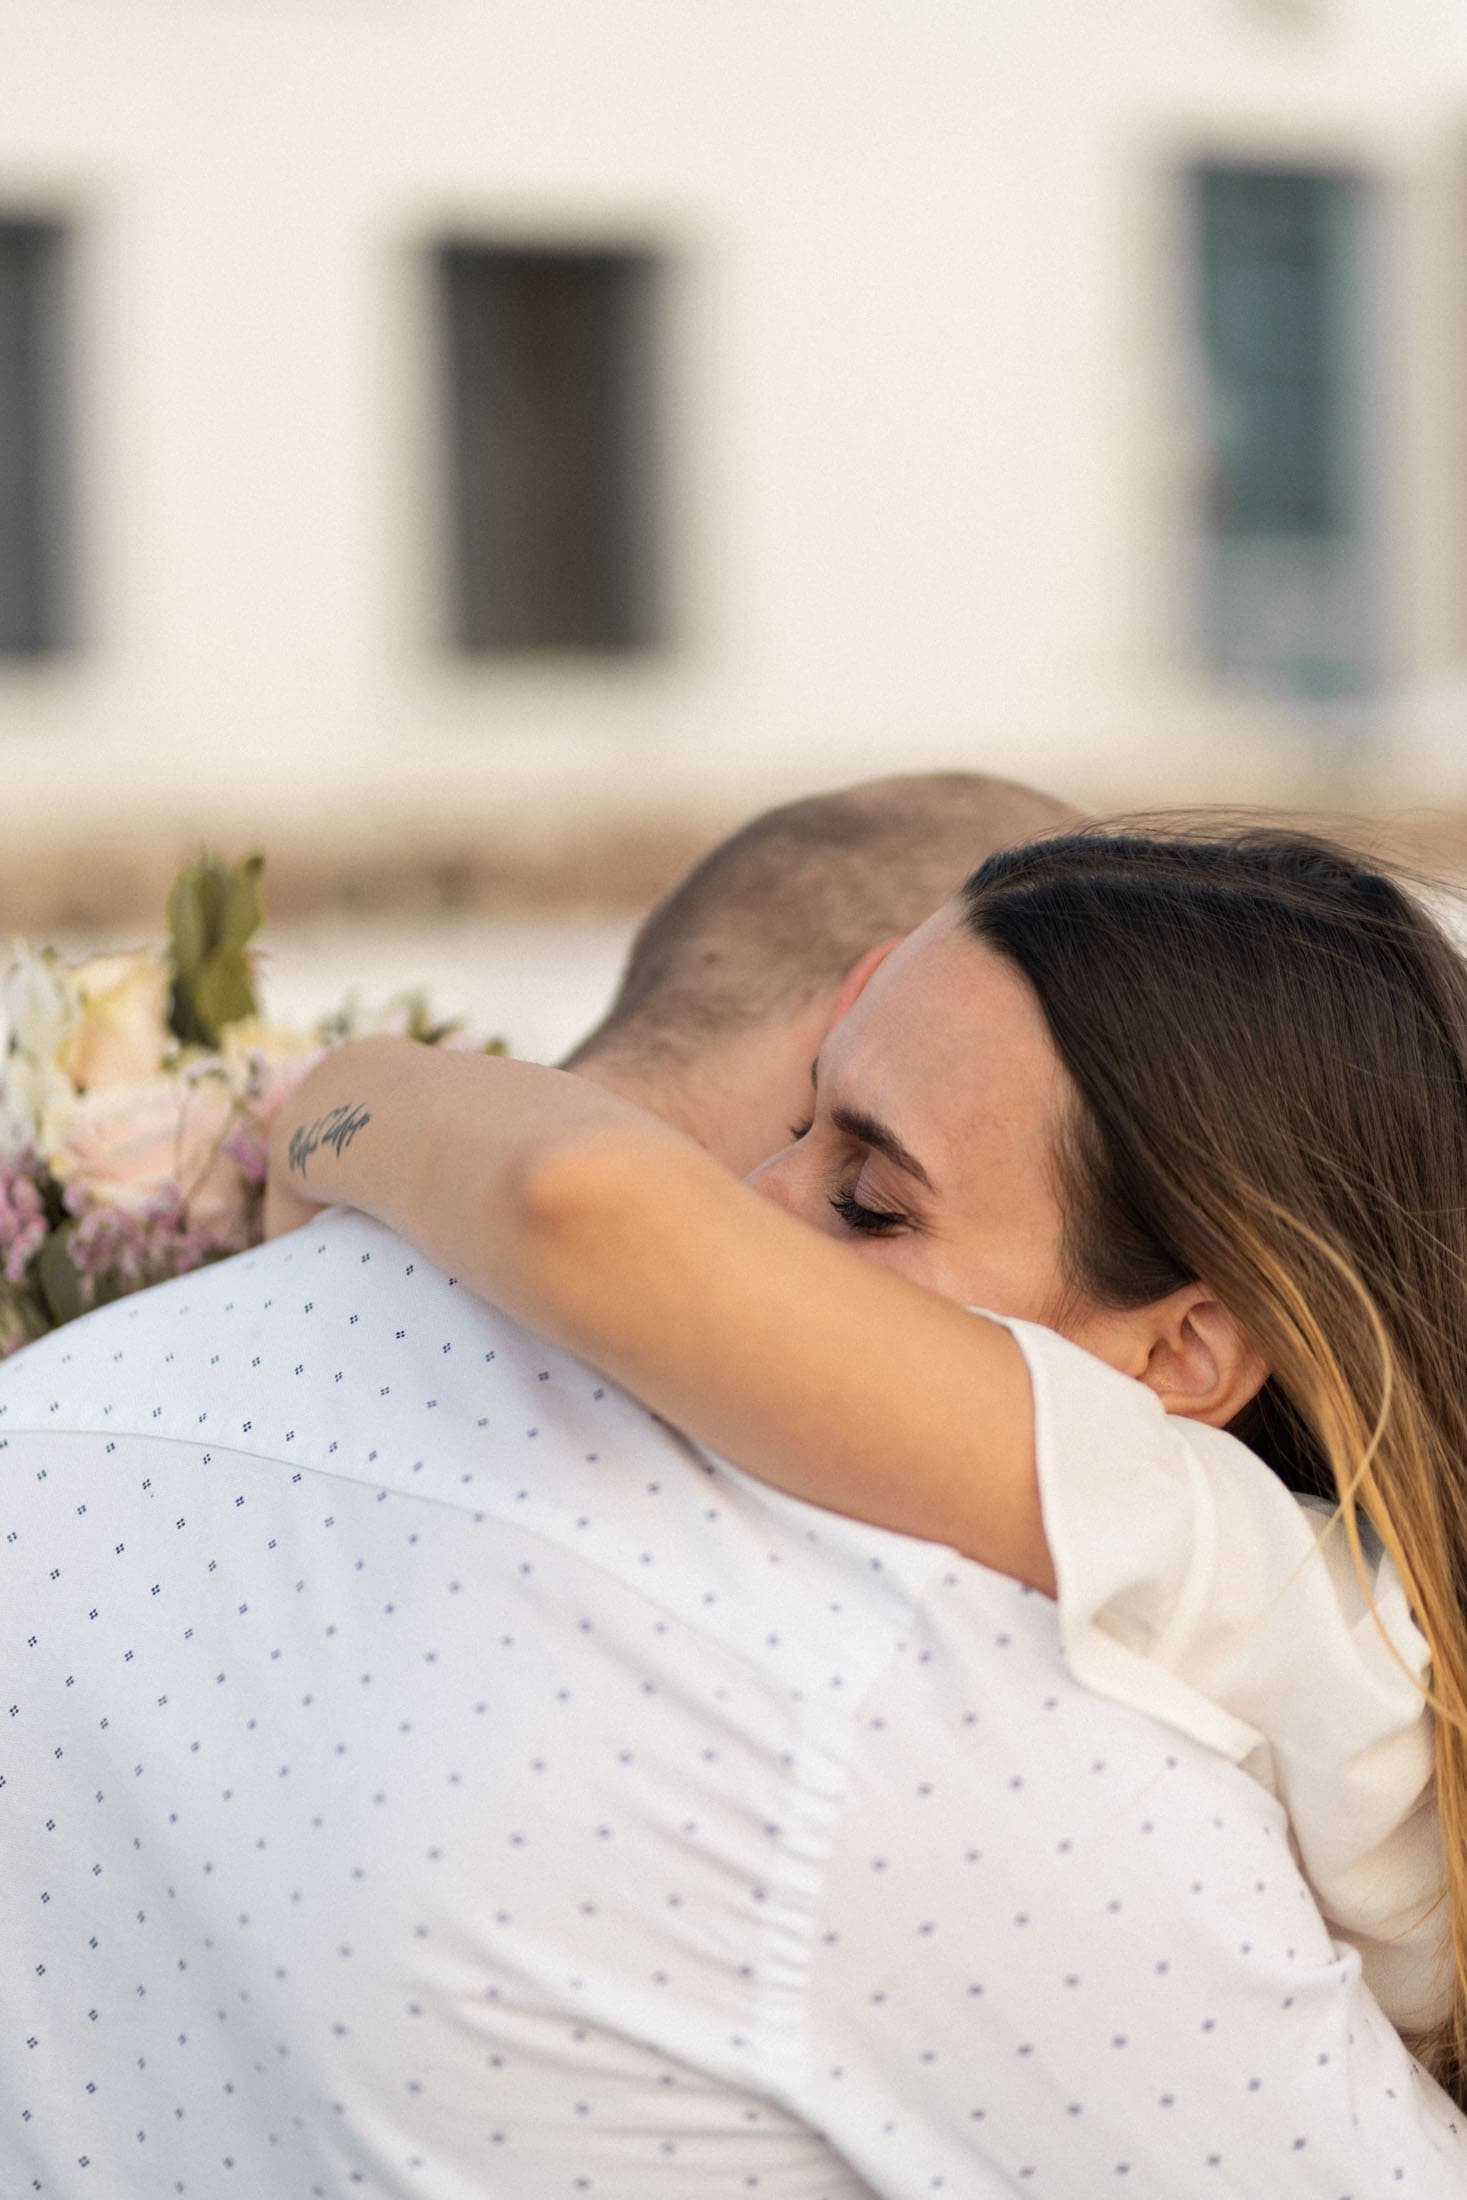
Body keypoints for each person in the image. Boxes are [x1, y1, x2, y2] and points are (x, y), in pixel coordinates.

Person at [263, 823, 1467, 2186]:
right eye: (796, 1123)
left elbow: (580, 1201)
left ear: (1183, 1352)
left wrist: (324, 1104)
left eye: (869, 1200)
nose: (748, 1207)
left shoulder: (1200, 1531)